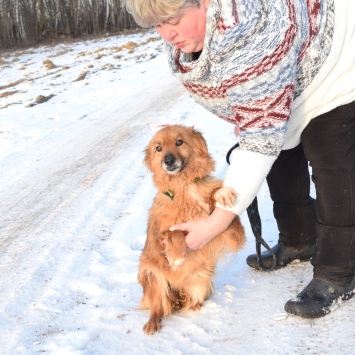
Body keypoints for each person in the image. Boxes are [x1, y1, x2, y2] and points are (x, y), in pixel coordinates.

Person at [125, 0, 355, 318]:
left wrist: (214, 223)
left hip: (335, 60)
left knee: (329, 155)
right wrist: (253, 114)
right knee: (282, 145)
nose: (168, 34)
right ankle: (299, 239)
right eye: (158, 26)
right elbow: (251, 115)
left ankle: (338, 272)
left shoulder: (249, 29)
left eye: (174, 19)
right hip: (288, 66)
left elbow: (259, 139)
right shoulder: (186, 41)